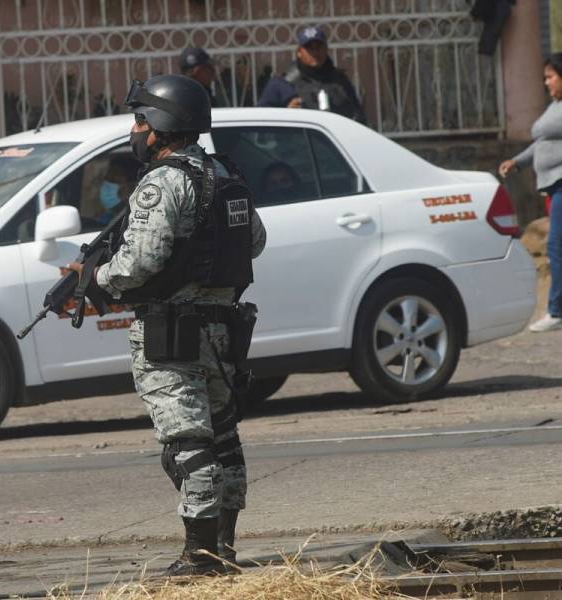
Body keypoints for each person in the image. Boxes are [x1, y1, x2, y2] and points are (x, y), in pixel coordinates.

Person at [69, 75, 266, 576]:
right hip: (221, 329)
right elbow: (255, 241)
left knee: (187, 442)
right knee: (223, 436)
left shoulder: (163, 182)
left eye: (140, 120)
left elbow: (140, 261)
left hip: (170, 333)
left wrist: (97, 280)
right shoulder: (224, 173)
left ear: (161, 124)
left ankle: (199, 557)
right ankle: (223, 547)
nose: (135, 130)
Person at [499, 53, 562, 332]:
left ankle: (556, 310)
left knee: (555, 246)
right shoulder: (555, 106)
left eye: (550, 76)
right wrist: (518, 162)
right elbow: (541, 141)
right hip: (552, 185)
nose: (546, 83)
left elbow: (541, 133)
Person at [257, 26, 366, 124]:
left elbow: (358, 117)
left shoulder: (341, 81)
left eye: (319, 46)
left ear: (326, 49)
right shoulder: (281, 84)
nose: (315, 52)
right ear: (299, 52)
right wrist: (285, 115)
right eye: (309, 48)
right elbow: (261, 122)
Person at [96, 155, 139, 224]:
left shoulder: (135, 222)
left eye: (113, 178)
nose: (107, 182)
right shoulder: (106, 219)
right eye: (107, 176)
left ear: (132, 187)